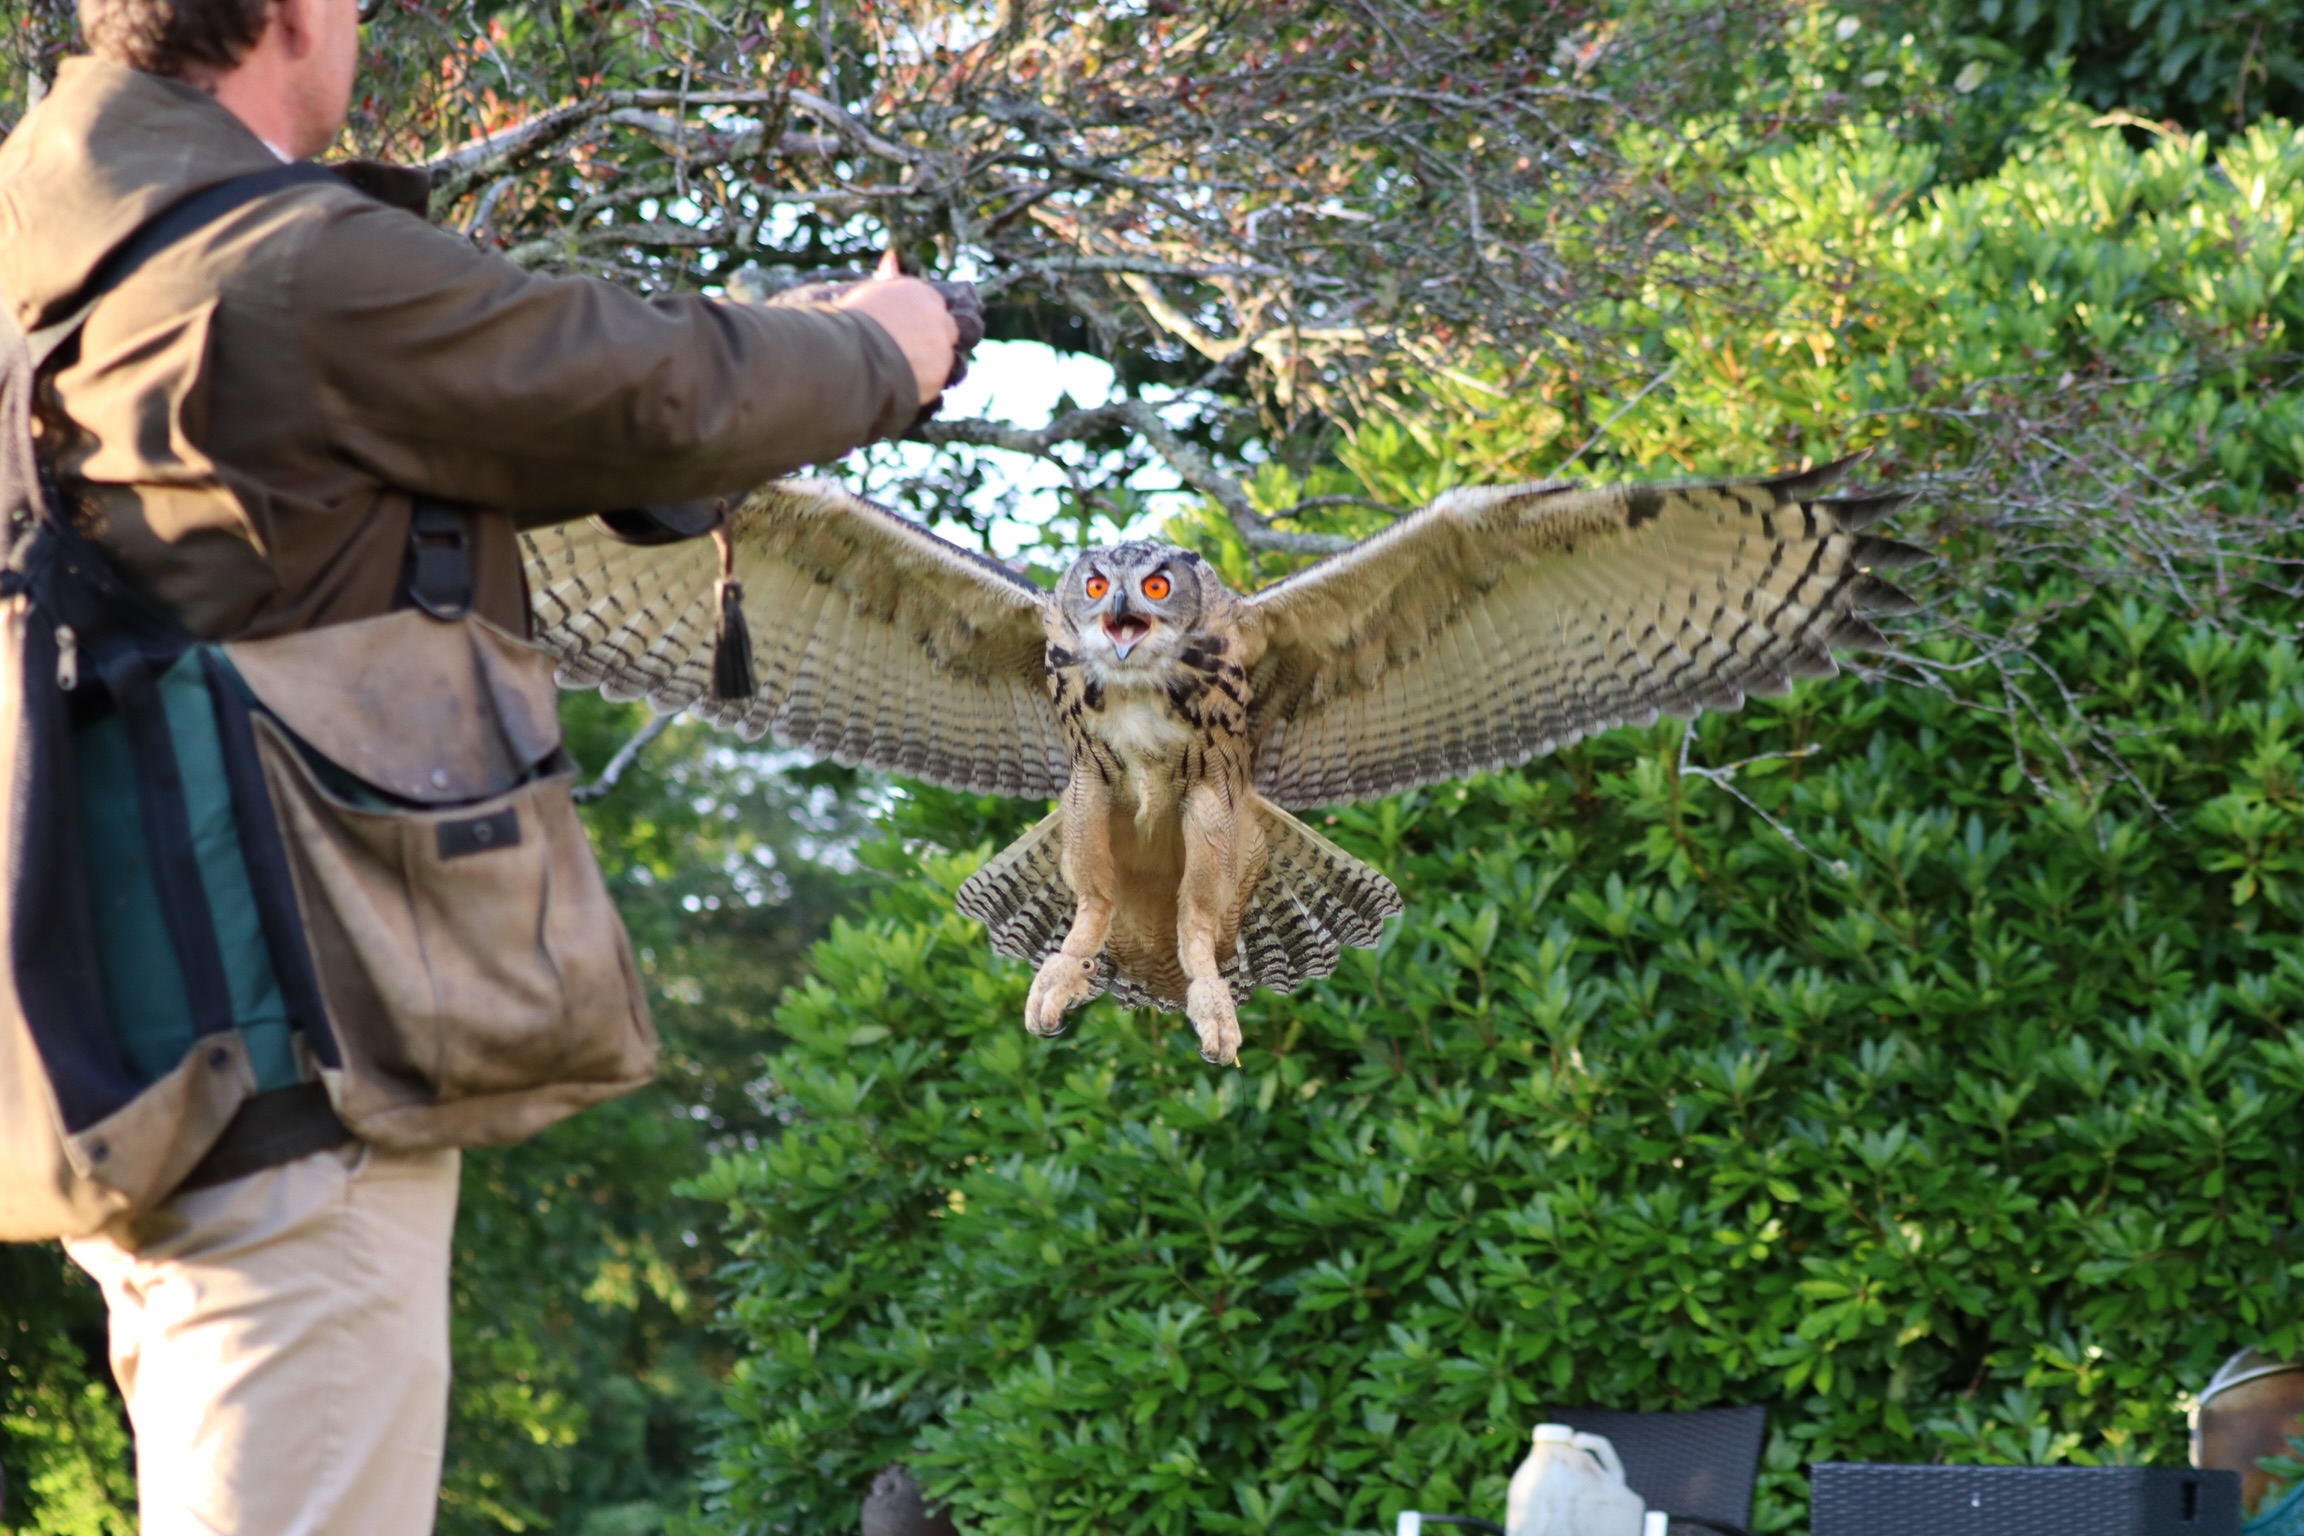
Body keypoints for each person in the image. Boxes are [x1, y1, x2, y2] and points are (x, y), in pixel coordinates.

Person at [0, 0, 967, 1525]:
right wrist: (880, 349)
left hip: (135, 1066)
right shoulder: (277, 264)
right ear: (291, 13)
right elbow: (644, 389)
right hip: (295, 1096)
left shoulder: (50, 269)